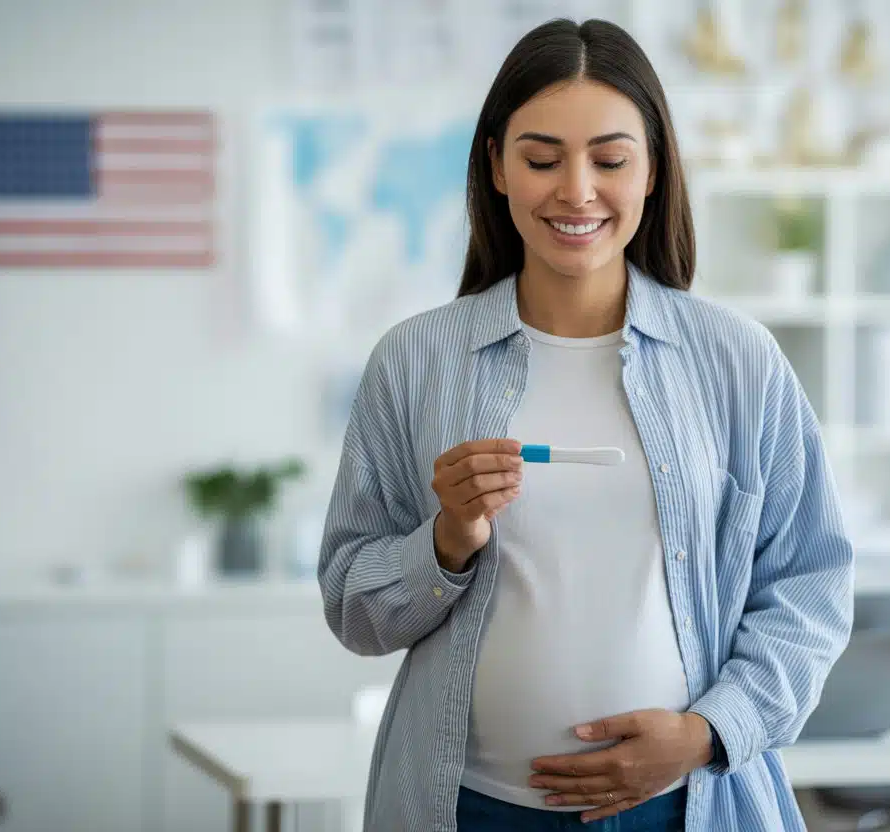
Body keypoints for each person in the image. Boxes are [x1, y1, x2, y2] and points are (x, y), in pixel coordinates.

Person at [318, 17, 854, 832]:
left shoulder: (737, 361)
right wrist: (447, 539)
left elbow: (810, 590)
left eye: (609, 159)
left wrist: (708, 733)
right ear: (496, 164)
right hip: (465, 810)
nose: (576, 190)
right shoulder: (416, 362)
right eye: (541, 159)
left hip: (685, 807)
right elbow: (354, 608)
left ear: (653, 170)